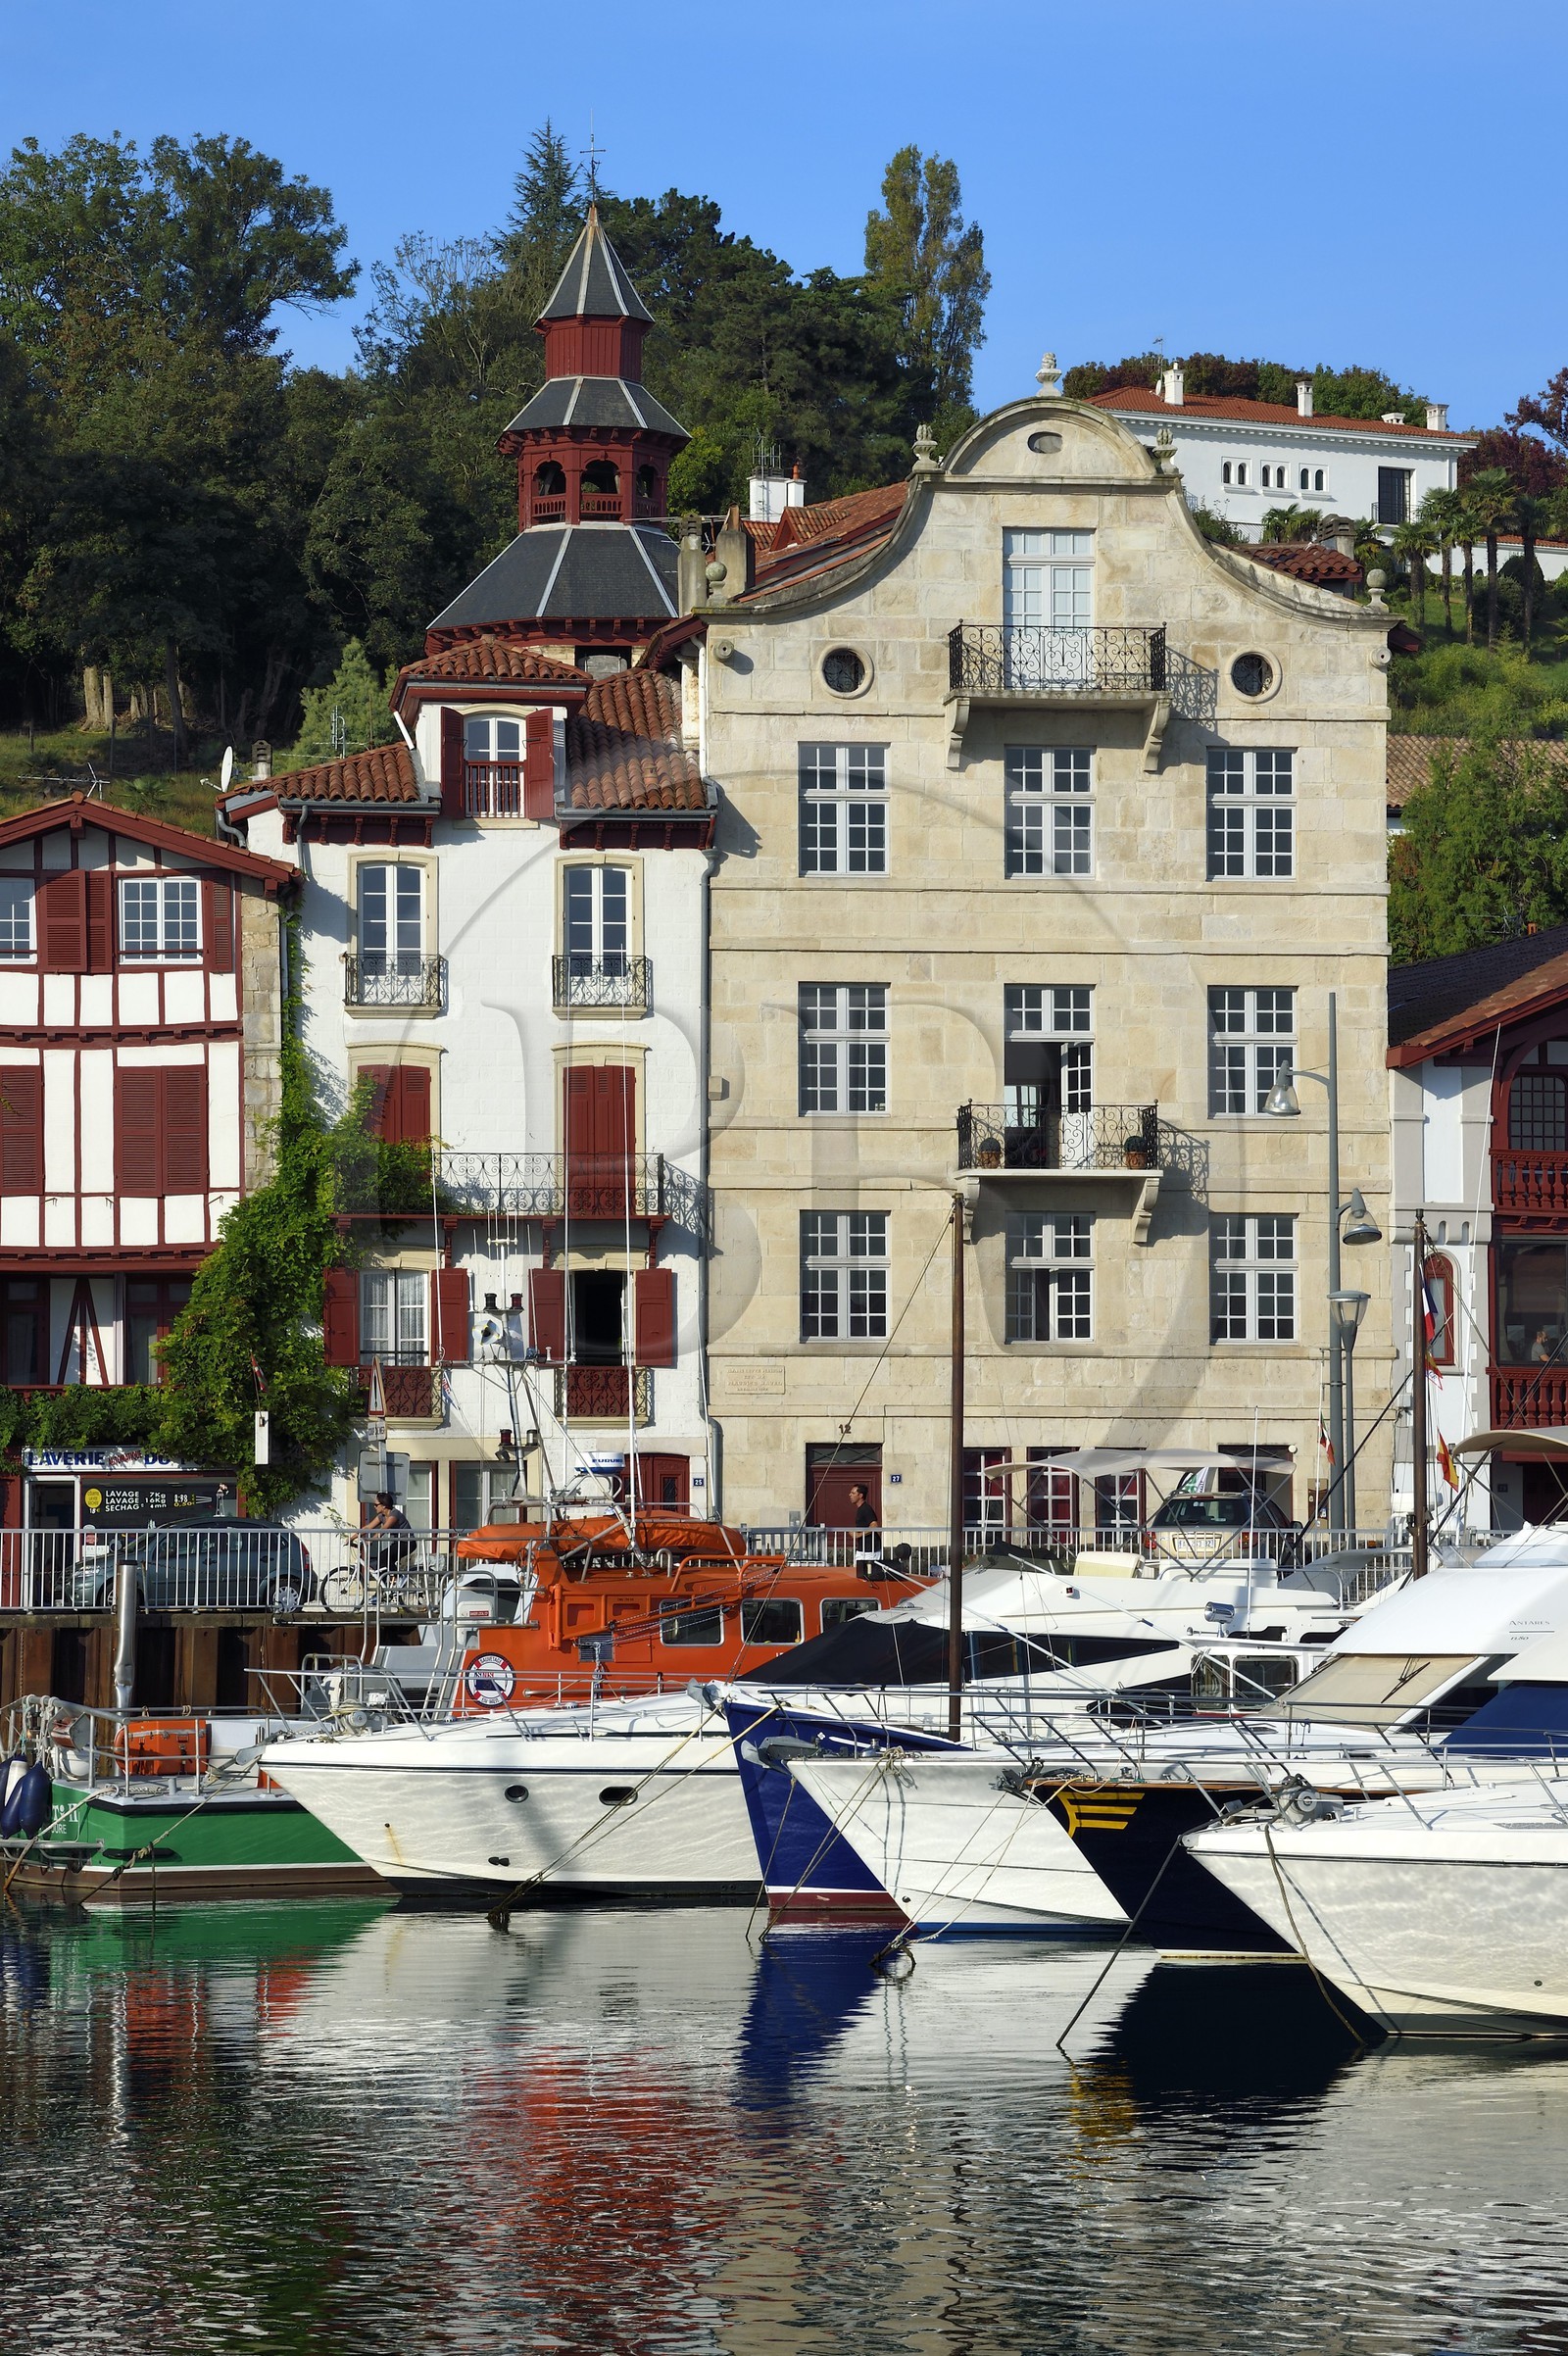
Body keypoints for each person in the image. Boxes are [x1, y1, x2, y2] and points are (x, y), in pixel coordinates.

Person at [363, 1490, 417, 1579]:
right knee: (383, 1561)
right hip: (398, 1543)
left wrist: (371, 1540)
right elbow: (368, 1527)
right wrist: (351, 1538)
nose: (374, 1507)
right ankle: (384, 1589)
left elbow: (384, 1529)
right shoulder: (382, 1516)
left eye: (376, 1505)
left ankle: (398, 1579)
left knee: (383, 1556)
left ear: (384, 1506)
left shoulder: (394, 1514)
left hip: (407, 1543)